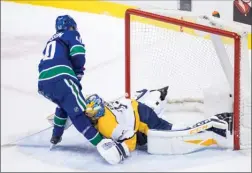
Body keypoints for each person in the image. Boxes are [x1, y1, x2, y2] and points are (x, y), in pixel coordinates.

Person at [48, 86, 233, 165]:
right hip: (132, 106)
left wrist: (122, 151)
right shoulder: (98, 107)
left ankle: (209, 125)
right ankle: (155, 96)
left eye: (88, 114)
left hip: (141, 117)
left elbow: (129, 136)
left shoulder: (106, 126)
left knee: (168, 131)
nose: (85, 115)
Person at [38, 15, 124, 158]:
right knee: (78, 113)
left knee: (65, 105)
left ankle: (56, 136)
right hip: (61, 77)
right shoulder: (70, 34)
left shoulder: (52, 39)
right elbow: (78, 53)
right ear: (71, 26)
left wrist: (57, 135)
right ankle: (102, 143)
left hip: (43, 82)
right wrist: (77, 71)